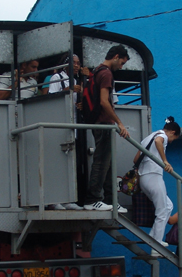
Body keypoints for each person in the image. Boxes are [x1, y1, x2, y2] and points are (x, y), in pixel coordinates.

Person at [83, 45, 130, 212]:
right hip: (103, 123)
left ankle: (111, 200)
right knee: (101, 162)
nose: (121, 67)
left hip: (101, 122)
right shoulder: (106, 73)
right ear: (116, 57)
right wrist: (119, 122)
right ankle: (93, 199)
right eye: (122, 63)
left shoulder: (98, 71)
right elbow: (104, 101)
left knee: (108, 163)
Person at [134, 117, 180, 250]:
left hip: (144, 179)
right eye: (173, 139)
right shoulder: (162, 136)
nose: (170, 141)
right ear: (172, 132)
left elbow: (135, 159)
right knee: (162, 211)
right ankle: (156, 244)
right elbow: (158, 141)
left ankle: (153, 237)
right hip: (154, 176)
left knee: (168, 206)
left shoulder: (147, 138)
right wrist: (165, 161)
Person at [46, 53, 84, 211]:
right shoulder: (57, 78)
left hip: (72, 125)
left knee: (70, 163)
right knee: (57, 163)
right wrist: (69, 89)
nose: (76, 65)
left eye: (78, 63)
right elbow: (52, 98)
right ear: (65, 64)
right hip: (59, 124)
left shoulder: (76, 80)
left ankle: (68, 199)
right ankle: (54, 200)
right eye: (73, 63)